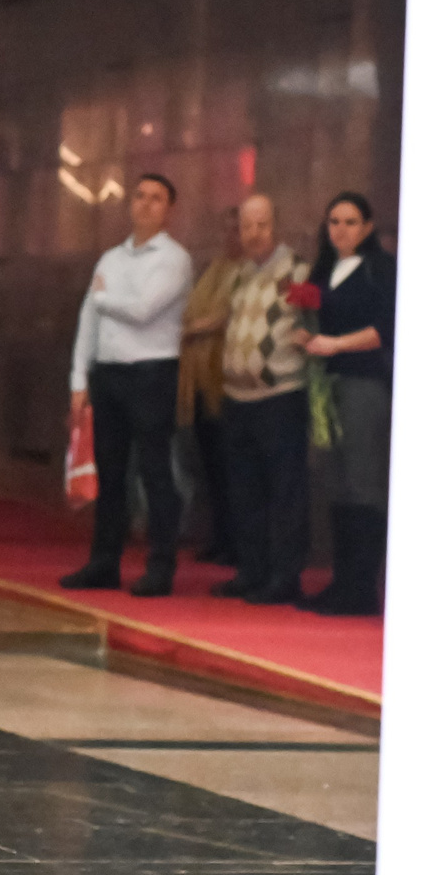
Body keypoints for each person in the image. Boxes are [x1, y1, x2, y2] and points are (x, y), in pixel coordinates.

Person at [58, 175, 196, 594]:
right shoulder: (110, 259)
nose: (146, 205)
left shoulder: (174, 259)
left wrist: (105, 299)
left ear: (169, 209)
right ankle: (104, 562)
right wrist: (79, 379)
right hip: (110, 373)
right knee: (111, 472)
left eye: (157, 199)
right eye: (140, 196)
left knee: (155, 471)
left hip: (152, 372)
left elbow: (142, 310)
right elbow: (88, 320)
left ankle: (161, 566)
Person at [213, 193, 313, 605]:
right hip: (238, 399)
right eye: (247, 226)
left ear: (277, 227)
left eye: (262, 225)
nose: (253, 234)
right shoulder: (239, 275)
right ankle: (250, 570)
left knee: (283, 492)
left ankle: (284, 577)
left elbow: (315, 319)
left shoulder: (298, 273)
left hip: (279, 397)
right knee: (244, 491)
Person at [300, 191, 395, 615]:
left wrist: (336, 344)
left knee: (363, 483)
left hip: (364, 383)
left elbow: (385, 328)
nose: (341, 229)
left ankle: (361, 586)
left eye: (351, 222)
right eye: (334, 221)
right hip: (328, 386)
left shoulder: (381, 269)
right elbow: (310, 320)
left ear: (368, 227)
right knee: (336, 483)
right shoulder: (322, 270)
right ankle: (341, 582)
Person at [179, 209, 246, 566]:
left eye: (238, 230)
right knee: (211, 469)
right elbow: (193, 307)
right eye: (228, 230)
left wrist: (195, 328)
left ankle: (236, 540)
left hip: (228, 381)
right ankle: (220, 535)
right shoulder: (216, 268)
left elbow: (226, 314)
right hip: (202, 382)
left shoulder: (247, 273)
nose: (232, 237)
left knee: (231, 469)